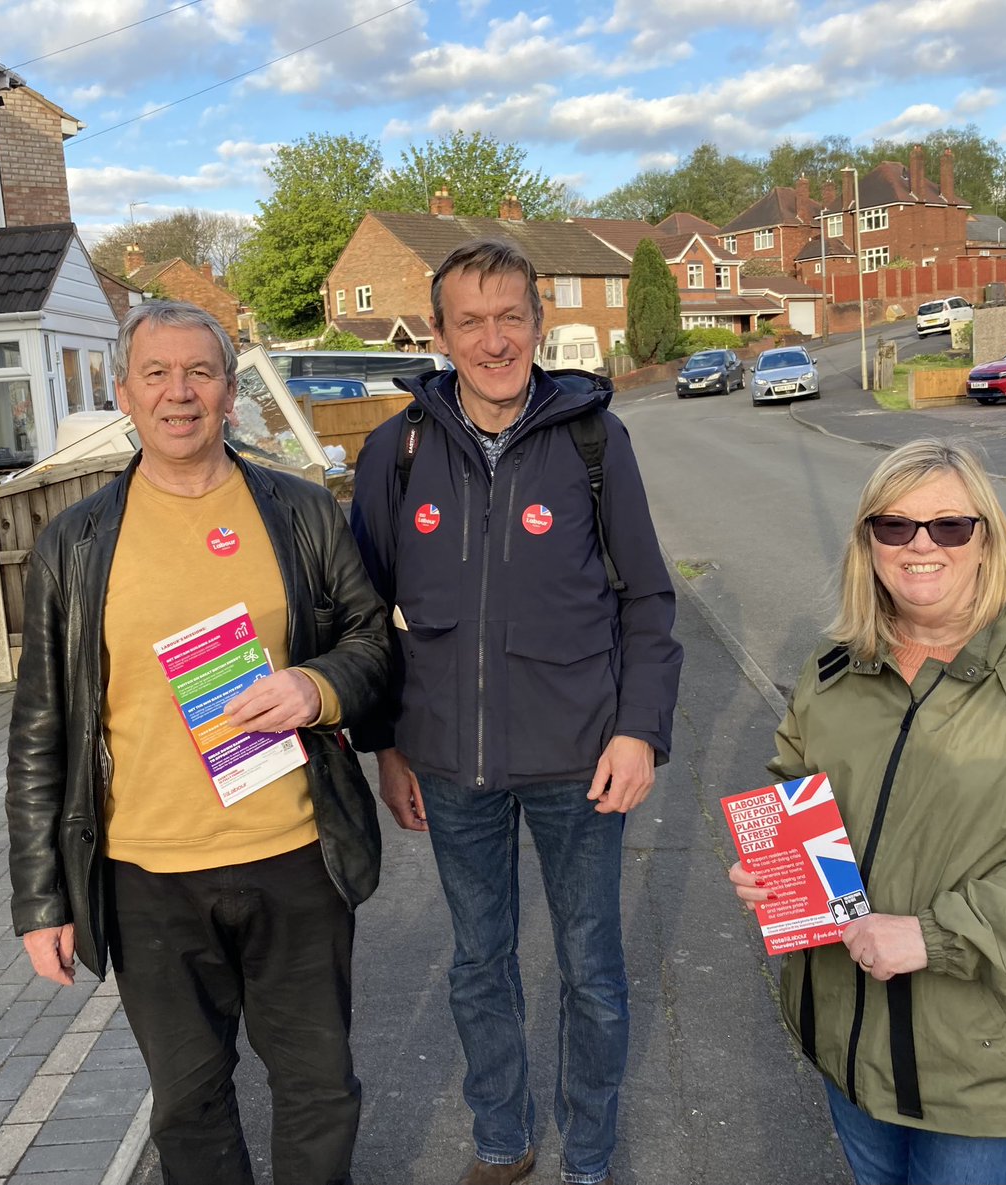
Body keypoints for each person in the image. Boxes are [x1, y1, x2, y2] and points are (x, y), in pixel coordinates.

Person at [6, 301, 389, 1185]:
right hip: (146, 877)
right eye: (157, 374)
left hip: (295, 854)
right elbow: (38, 733)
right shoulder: (76, 540)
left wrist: (314, 686)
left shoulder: (297, 511)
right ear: (125, 394)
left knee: (320, 1088)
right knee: (188, 1103)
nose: (179, 393)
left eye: (200, 373)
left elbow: (372, 638)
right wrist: (41, 901)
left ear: (228, 393)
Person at [350, 238, 683, 1185]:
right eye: (471, 321)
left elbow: (649, 600)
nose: (494, 340)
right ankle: (503, 1140)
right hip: (450, 764)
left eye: (511, 317)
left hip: (582, 759)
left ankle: (588, 1156)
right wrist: (387, 745)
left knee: (593, 973)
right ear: (442, 333)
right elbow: (362, 610)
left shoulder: (592, 439)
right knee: (477, 967)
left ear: (538, 322)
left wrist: (639, 728)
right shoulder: (398, 448)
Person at [729, 439, 1006, 1185]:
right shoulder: (839, 660)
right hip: (848, 1031)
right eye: (895, 525)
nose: (920, 546)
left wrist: (934, 936)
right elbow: (792, 779)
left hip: (980, 1061)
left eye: (948, 526)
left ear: (987, 535)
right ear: (868, 540)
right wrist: (770, 865)